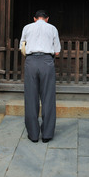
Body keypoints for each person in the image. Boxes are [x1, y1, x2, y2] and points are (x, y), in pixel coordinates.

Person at [19, 10, 61, 143]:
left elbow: (22, 47)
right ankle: (47, 135)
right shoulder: (52, 28)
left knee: (31, 97)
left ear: (35, 18)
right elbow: (57, 51)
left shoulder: (27, 27)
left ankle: (33, 135)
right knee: (48, 97)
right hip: (47, 62)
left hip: (31, 62)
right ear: (47, 18)